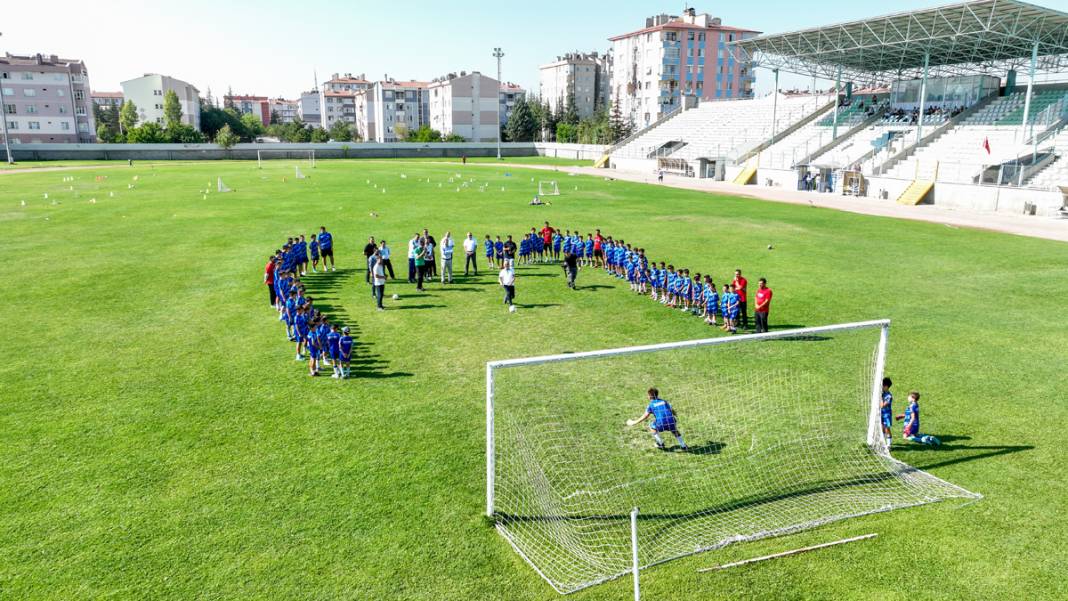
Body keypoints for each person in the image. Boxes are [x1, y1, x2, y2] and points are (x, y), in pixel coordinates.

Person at [880, 377, 894, 447]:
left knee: (887, 429)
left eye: (882, 386)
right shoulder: (883, 394)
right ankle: (882, 442)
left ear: (886, 386)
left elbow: (882, 405)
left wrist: (880, 398)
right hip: (881, 414)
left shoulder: (889, 396)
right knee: (882, 428)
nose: (881, 387)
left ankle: (888, 444)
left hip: (886, 415)